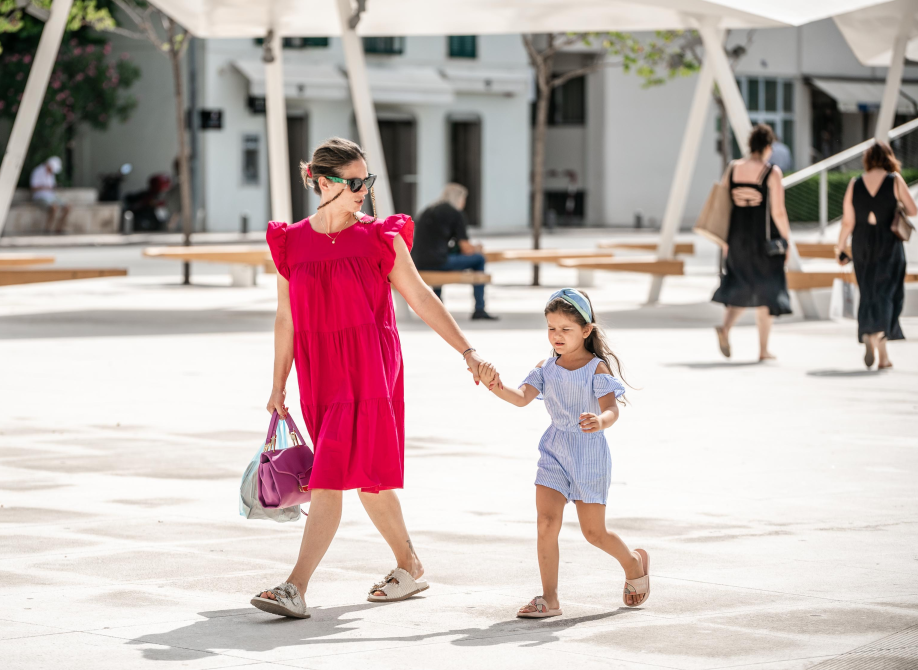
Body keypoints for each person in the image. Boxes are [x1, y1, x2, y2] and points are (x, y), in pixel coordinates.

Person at [254, 137, 494, 619]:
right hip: (319, 371)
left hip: (368, 369)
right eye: (354, 181)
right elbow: (286, 319)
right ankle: (409, 565)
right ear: (323, 182)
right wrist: (278, 383)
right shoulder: (291, 241)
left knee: (330, 476)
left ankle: (295, 586)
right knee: (370, 481)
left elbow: (422, 298)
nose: (363, 189)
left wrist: (468, 351)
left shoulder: (380, 237)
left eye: (367, 180)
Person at [477, 289, 648, 618]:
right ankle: (550, 598)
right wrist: (493, 384)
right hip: (554, 449)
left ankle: (634, 563)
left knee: (594, 533)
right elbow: (520, 397)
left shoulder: (596, 369)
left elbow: (611, 409)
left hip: (589, 454)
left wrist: (600, 421)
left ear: (586, 331)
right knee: (545, 523)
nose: (557, 336)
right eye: (551, 328)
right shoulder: (546, 367)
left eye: (565, 329)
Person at [712, 124, 793, 361]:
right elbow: (778, 212)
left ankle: (725, 328)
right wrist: (786, 240)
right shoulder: (771, 172)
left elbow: (724, 204)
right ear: (768, 147)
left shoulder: (733, 168)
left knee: (741, 285)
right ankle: (763, 349)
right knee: (767, 291)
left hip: (736, 238)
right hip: (762, 241)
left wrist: (725, 240)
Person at [836, 141, 917, 369]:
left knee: (868, 292)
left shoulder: (855, 184)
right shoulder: (894, 180)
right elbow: (913, 210)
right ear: (888, 157)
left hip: (861, 242)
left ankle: (872, 341)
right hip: (888, 244)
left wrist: (840, 248)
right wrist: (896, 203)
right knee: (887, 294)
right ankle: (880, 345)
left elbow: (847, 221)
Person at [412, 183, 498, 320]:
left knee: (440, 257)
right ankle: (479, 309)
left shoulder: (428, 210)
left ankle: (437, 306)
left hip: (417, 262)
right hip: (438, 262)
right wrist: (477, 249)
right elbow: (466, 247)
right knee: (479, 259)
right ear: (459, 199)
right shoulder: (456, 213)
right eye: (464, 199)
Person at [29, 156, 70, 233]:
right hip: (40, 196)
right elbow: (33, 188)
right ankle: (48, 229)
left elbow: (52, 187)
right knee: (54, 208)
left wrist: (55, 187)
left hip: (51, 196)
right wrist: (45, 187)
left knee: (67, 207)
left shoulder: (51, 174)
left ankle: (59, 228)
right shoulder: (37, 172)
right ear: (49, 165)